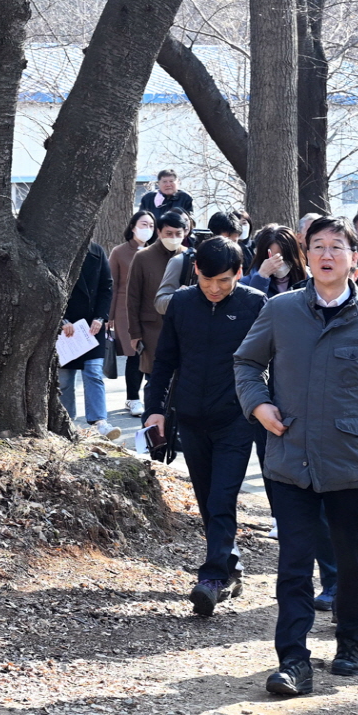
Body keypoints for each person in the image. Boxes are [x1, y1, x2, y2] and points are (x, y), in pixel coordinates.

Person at [234, 217, 358, 697]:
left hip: (351, 461)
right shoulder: (280, 309)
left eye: (337, 247)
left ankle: (349, 640)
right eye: (317, 247)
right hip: (290, 457)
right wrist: (259, 403)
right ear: (305, 256)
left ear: (355, 259)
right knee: (293, 561)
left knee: (351, 559)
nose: (326, 254)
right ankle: (293, 658)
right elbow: (247, 362)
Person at [146, 239, 267, 617]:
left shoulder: (254, 305)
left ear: (240, 274)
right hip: (192, 419)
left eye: (225, 280)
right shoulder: (182, 304)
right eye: (207, 279)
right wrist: (155, 411)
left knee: (222, 498)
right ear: (195, 269)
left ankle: (211, 577)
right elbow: (163, 362)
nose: (215, 288)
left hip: (236, 419)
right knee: (206, 500)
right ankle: (231, 567)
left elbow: (271, 362)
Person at [58, 240, 113, 433]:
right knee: (64, 378)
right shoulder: (58, 248)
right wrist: (61, 320)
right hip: (66, 327)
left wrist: (101, 317)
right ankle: (66, 420)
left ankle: (99, 421)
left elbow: (106, 287)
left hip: (91, 327)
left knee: (94, 372)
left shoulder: (97, 251)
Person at [128, 209, 188, 383]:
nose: (173, 237)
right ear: (159, 232)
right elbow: (132, 298)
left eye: (178, 233)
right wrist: (135, 333)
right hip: (151, 329)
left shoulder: (189, 256)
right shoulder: (142, 257)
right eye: (168, 233)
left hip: (183, 329)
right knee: (155, 379)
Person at [108, 211, 155, 417]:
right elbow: (113, 284)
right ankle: (133, 398)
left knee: (153, 353)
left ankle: (152, 397)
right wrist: (108, 316)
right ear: (133, 226)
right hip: (125, 309)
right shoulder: (119, 252)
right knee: (134, 354)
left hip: (153, 309)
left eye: (152, 226)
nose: (148, 229)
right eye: (144, 224)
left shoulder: (157, 251)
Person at [244, 224, 307, 297]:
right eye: (274, 258)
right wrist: (261, 278)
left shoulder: (307, 278)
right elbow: (251, 306)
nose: (279, 263)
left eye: (284, 257)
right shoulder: (247, 283)